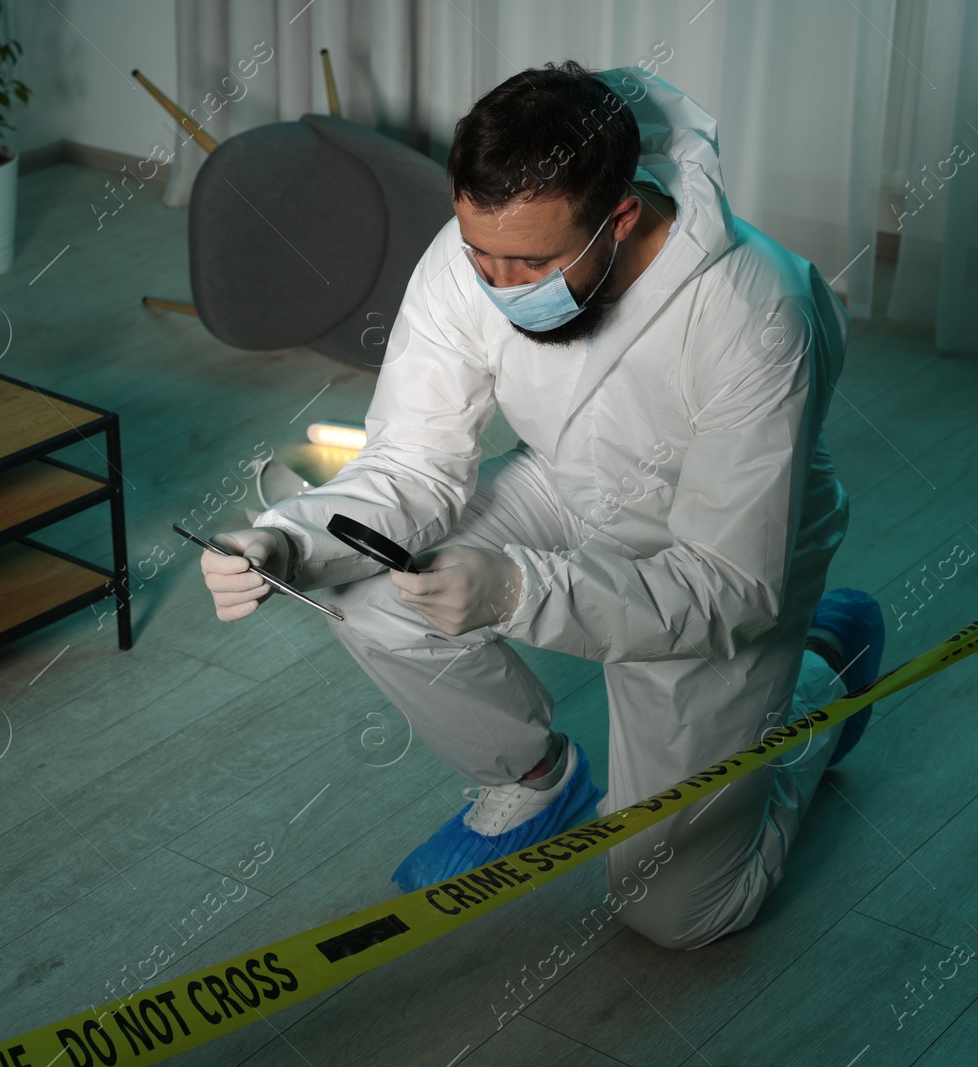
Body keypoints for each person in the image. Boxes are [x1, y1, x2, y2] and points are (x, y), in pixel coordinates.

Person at [197, 60, 885, 950]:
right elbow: (412, 459)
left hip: (723, 561)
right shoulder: (472, 252)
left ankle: (822, 666)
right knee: (368, 586)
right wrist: (285, 540)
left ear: (623, 214)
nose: (496, 281)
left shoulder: (758, 313)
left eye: (530, 261)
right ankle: (533, 775)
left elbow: (726, 584)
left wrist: (521, 591)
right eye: (478, 248)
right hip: (569, 484)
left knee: (672, 910)